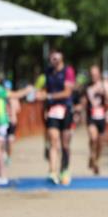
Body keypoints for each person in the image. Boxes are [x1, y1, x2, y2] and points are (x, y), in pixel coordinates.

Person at [36, 50, 76, 185]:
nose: (54, 59)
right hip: (52, 110)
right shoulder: (47, 72)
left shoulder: (68, 71)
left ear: (61, 58)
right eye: (52, 57)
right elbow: (41, 88)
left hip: (66, 109)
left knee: (65, 143)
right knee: (53, 140)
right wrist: (39, 94)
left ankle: (64, 169)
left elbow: (67, 92)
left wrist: (49, 96)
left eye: (56, 57)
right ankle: (52, 171)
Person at [84, 65, 108, 175]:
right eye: (92, 75)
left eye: (95, 74)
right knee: (93, 138)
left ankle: (96, 160)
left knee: (100, 142)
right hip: (91, 116)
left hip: (101, 116)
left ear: (99, 74)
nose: (94, 77)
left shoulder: (105, 84)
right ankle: (92, 156)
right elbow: (83, 101)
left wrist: (104, 92)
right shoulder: (87, 86)